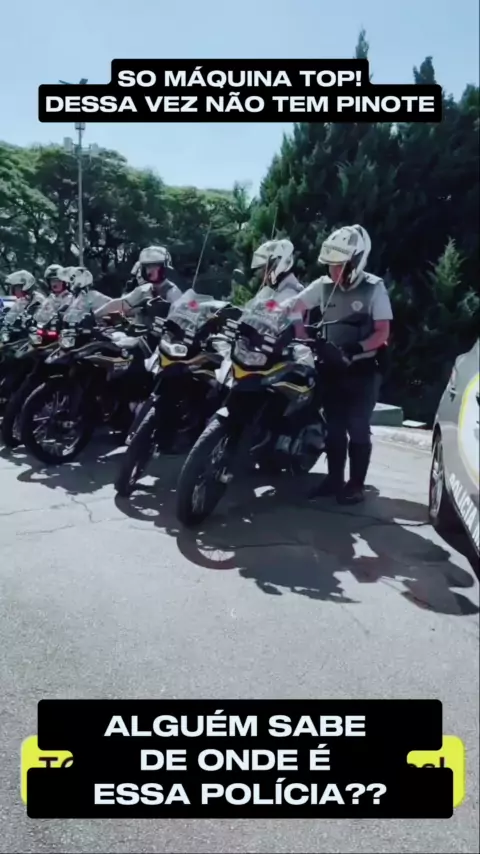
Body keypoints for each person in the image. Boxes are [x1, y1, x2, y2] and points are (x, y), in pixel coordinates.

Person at [293, 224, 393, 505]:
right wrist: (300, 332)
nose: (334, 271)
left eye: (339, 265)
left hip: (363, 368)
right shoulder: (322, 285)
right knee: (334, 428)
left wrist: (357, 347)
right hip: (332, 366)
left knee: (358, 425)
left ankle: (356, 484)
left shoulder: (374, 288)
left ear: (355, 262)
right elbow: (294, 306)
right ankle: (334, 479)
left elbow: (383, 332)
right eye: (331, 265)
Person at [94, 246, 182, 323]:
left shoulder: (173, 293)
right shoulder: (144, 290)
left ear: (165, 268)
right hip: (137, 333)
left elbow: (178, 322)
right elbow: (120, 303)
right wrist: (94, 316)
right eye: (148, 267)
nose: (150, 270)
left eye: (155, 266)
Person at [250, 238, 304, 303]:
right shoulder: (281, 289)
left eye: (264, 269)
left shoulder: (289, 293)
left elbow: (270, 307)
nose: (262, 275)